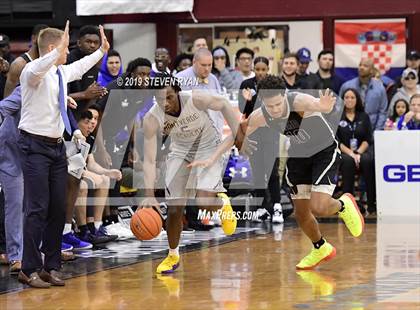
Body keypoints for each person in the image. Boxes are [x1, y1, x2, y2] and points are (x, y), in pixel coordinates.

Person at [235, 75, 364, 270]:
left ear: (284, 95)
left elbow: (321, 106)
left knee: (319, 206)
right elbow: (242, 129)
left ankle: (343, 204)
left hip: (323, 151)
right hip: (298, 156)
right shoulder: (261, 115)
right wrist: (242, 142)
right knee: (302, 213)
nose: (275, 109)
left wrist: (324, 105)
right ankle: (320, 247)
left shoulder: (299, 101)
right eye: (271, 106)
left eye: (278, 104)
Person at [17, 21, 109, 288]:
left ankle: (50, 266)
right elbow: (40, 66)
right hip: (34, 146)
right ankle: (28, 268)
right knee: (36, 208)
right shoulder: (31, 72)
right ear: (50, 49)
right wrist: (53, 53)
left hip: (56, 147)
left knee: (58, 208)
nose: (68, 53)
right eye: (65, 48)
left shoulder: (58, 73)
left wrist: (101, 51)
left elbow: (78, 67)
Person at [141, 74, 239, 274]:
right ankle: (172, 255)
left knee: (203, 202)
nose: (165, 103)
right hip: (180, 151)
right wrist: (149, 193)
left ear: (177, 92)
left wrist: (239, 136)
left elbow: (224, 104)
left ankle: (221, 203)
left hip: (209, 147)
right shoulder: (151, 119)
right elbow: (149, 160)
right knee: (175, 208)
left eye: (168, 97)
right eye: (159, 99)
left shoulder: (195, 98)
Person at [238, 56, 282, 223]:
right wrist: (246, 100)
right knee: (257, 171)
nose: (261, 72)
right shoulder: (246, 85)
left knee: (272, 171)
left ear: (268, 69)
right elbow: (242, 110)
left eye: (264, 69)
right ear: (254, 69)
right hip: (253, 133)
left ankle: (277, 206)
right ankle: (262, 207)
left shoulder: (273, 84)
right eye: (258, 69)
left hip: (271, 132)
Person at [74, 109, 122, 244]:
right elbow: (69, 165)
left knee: (105, 180)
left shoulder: (89, 138)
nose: (92, 123)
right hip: (67, 175)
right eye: (88, 121)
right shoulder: (70, 136)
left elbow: (91, 164)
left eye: (95, 119)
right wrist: (88, 174)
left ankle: (96, 226)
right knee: (83, 184)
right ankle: (83, 230)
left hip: (78, 173)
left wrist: (107, 172)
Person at [337, 88, 376, 214]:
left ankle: (371, 204)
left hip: (361, 150)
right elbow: (337, 141)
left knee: (368, 160)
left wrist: (358, 153)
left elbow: (368, 138)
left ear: (357, 99)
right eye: (346, 97)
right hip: (344, 152)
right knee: (348, 161)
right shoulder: (337, 116)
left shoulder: (363, 116)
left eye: (352, 97)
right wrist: (351, 153)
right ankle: (348, 205)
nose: (349, 100)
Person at [0, 86, 23, 273]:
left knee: (36, 206)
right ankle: (16, 255)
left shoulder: (56, 88)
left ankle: (33, 251)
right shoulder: (24, 90)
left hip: (36, 155)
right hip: (11, 155)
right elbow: (2, 107)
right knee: (15, 204)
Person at [67, 25, 107, 118]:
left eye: (96, 42)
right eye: (88, 42)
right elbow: (59, 96)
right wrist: (84, 94)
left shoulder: (95, 62)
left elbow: (89, 95)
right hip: (65, 115)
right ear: (79, 43)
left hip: (82, 115)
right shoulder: (67, 60)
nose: (92, 45)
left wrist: (96, 93)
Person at [339, 58, 388, 131]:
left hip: (372, 129)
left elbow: (383, 112)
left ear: (372, 70)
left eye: (365, 66)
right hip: (350, 130)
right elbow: (339, 109)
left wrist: (377, 131)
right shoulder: (347, 86)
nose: (361, 67)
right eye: (360, 65)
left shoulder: (380, 88)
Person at [4, 24, 49, 98]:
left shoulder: (49, 62)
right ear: (34, 38)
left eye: (47, 39)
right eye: (42, 38)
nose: (44, 42)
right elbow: (8, 99)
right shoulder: (18, 65)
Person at [0, 34, 15, 100]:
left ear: (8, 47)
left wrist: (6, 72)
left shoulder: (14, 61)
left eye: (2, 46)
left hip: (8, 99)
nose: (0, 49)